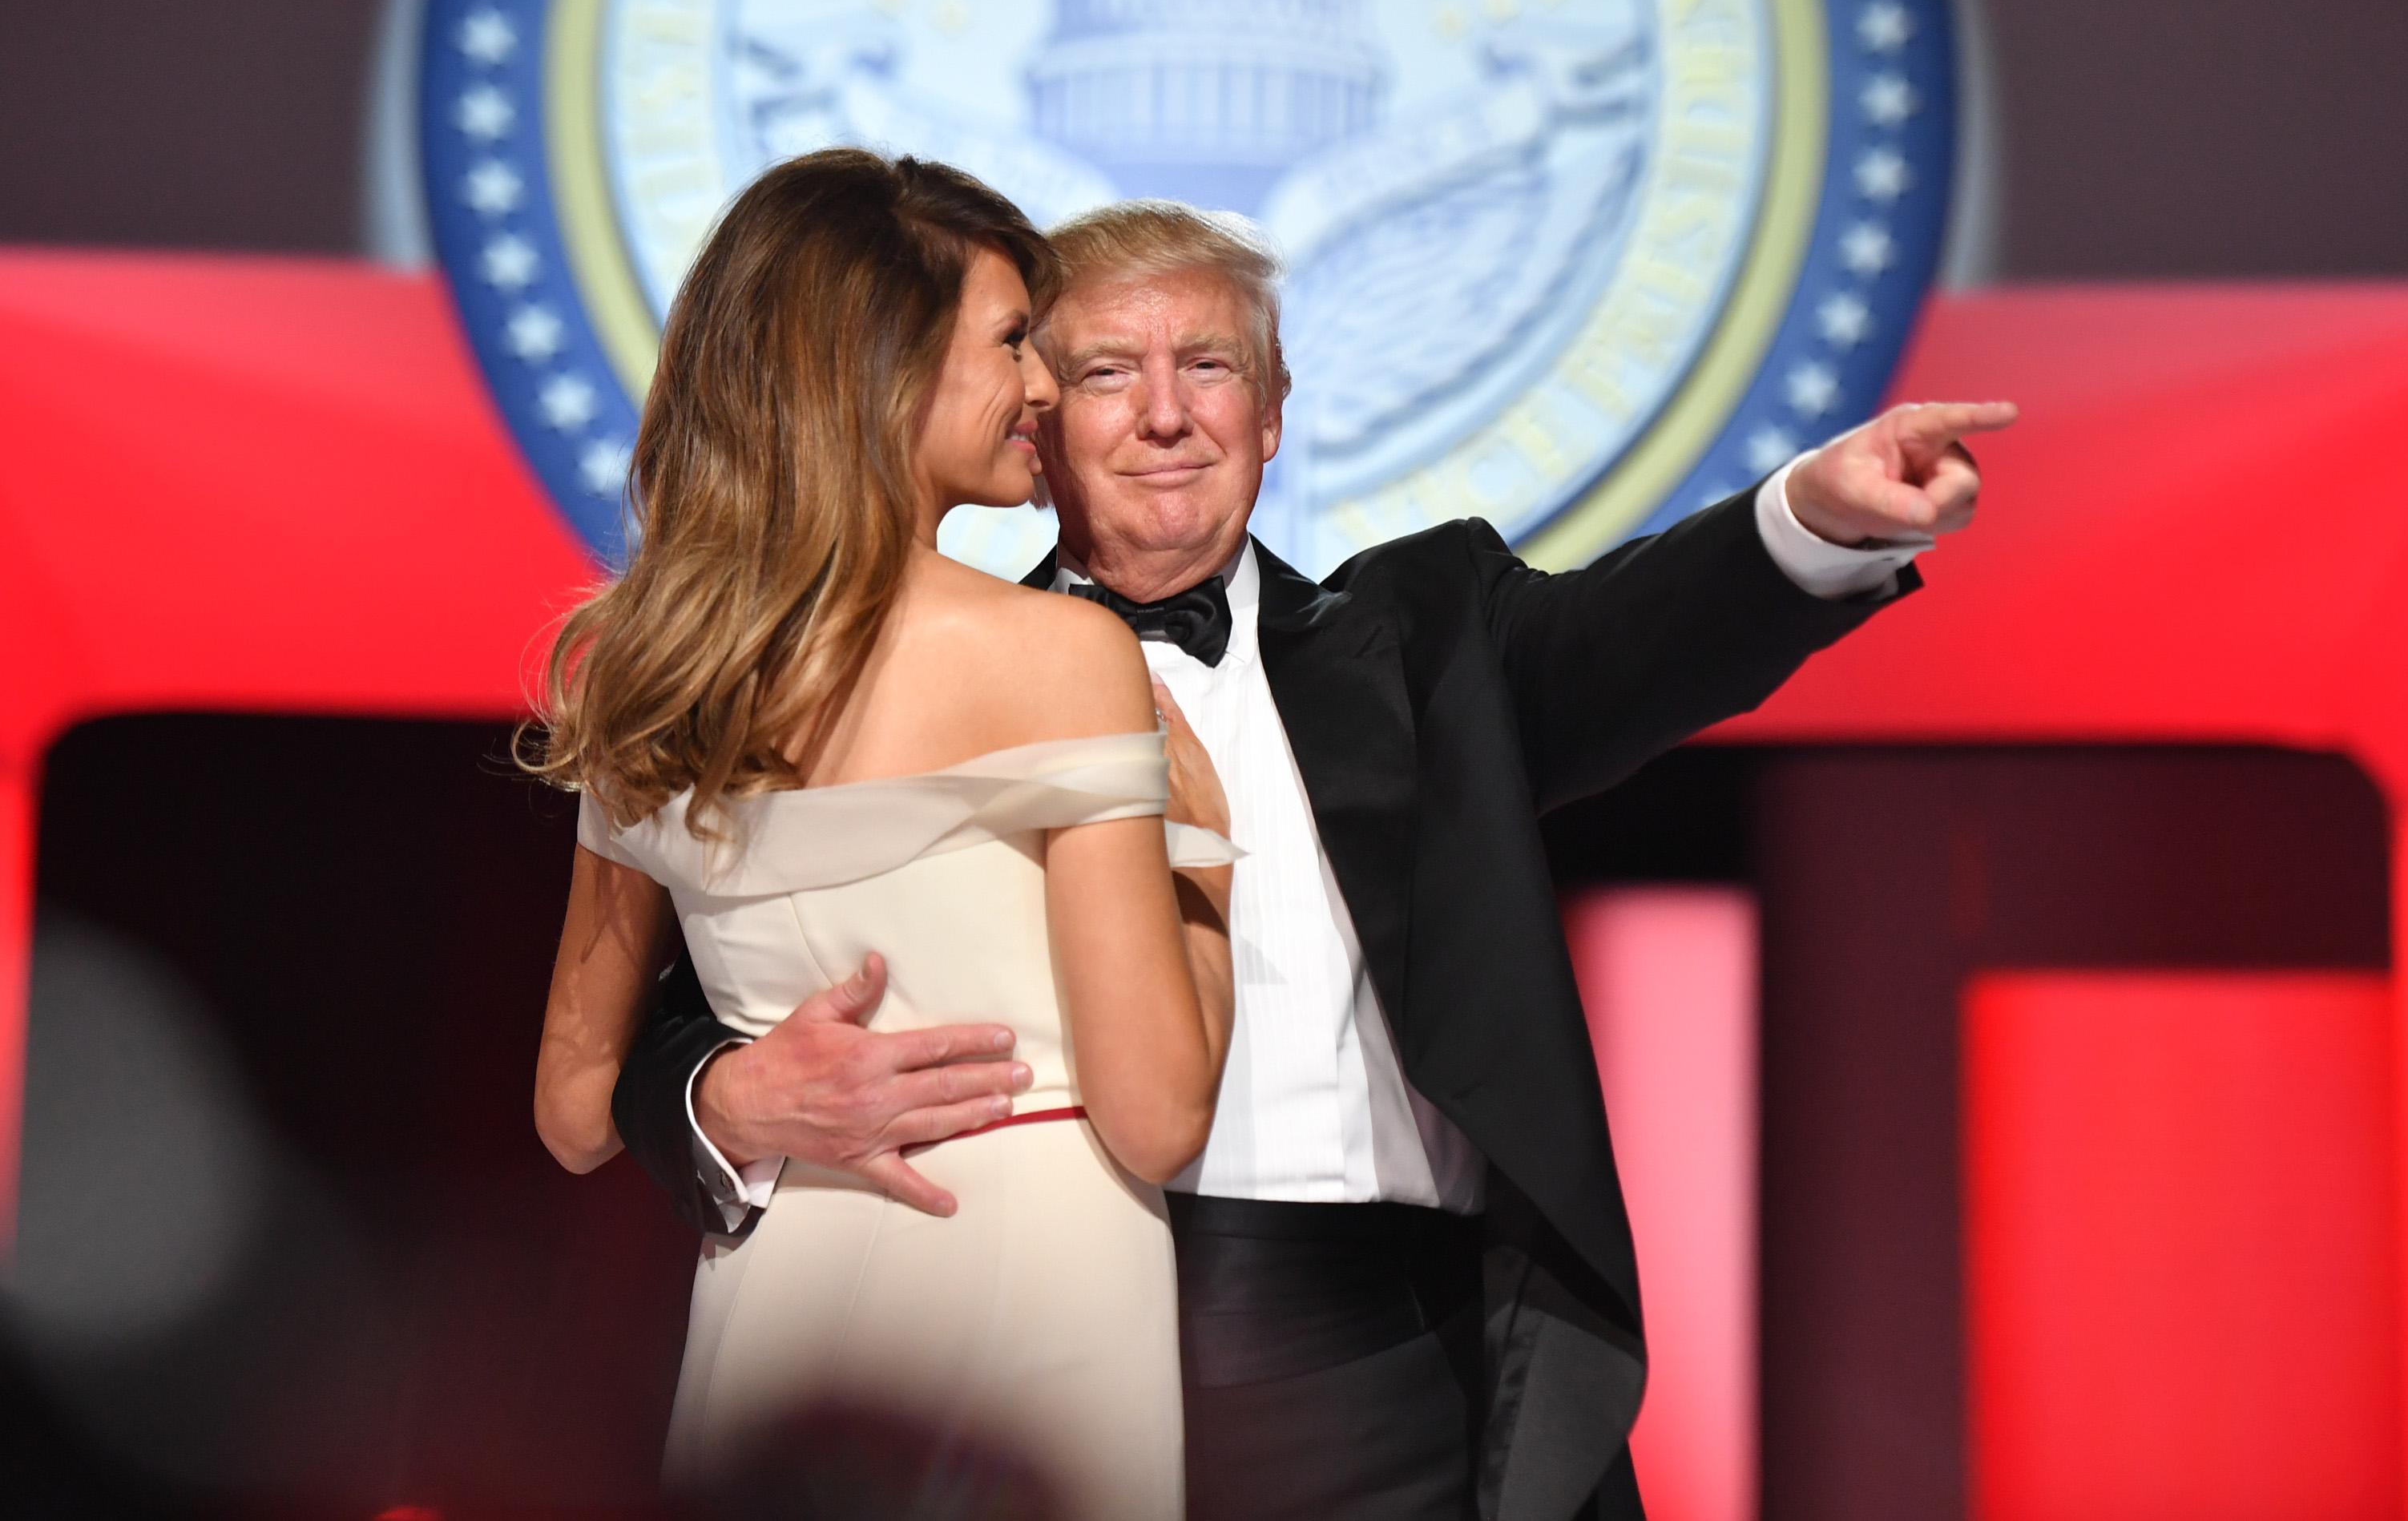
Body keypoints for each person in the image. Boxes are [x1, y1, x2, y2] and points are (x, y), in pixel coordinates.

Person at [615, 197, 2016, 1520]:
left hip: (1392, 1373)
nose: (1166, 411)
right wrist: (724, 1092)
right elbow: (671, 992)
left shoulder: (1427, 638)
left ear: (1273, 415)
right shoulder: (897, 675)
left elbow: (1629, 636)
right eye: (1107, 369)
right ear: (1032, 423)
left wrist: (1810, 523)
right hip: (1034, 1328)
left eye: (1210, 362)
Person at [526, 151, 1240, 1519]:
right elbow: (1157, 1115)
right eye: (1013, 340)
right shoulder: (1055, 652)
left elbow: (572, 1104)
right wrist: (1201, 858)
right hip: (1037, 1283)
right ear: (880, 363)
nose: (1044, 383)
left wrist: (728, 1096)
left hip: (779, 1294)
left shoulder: (646, 666)